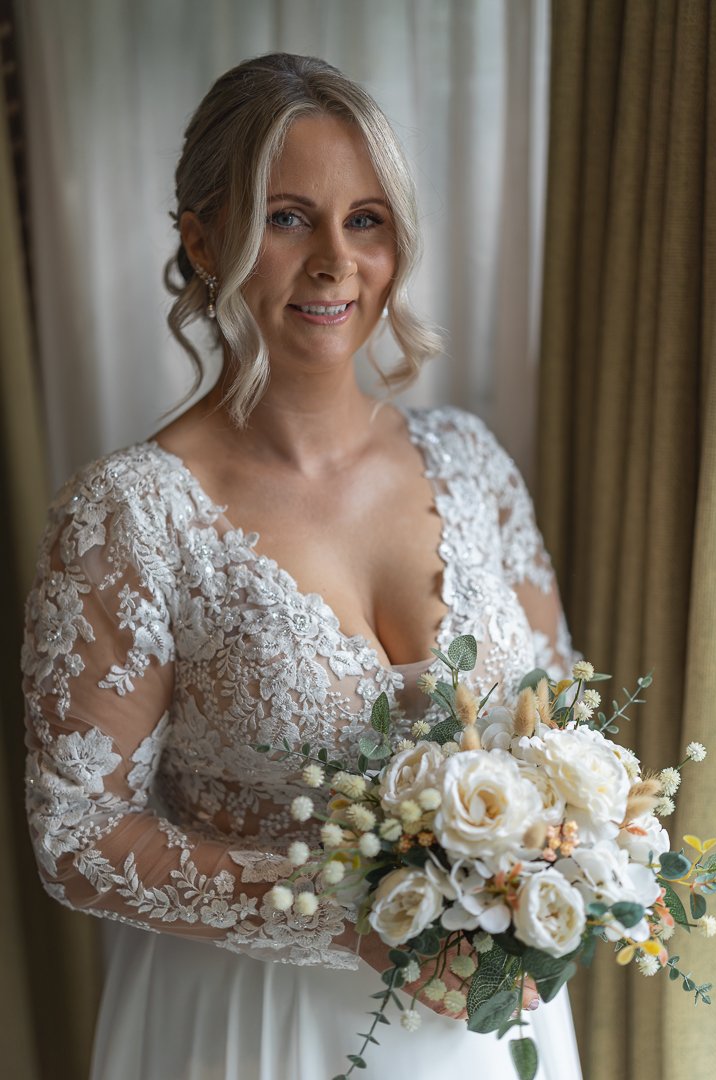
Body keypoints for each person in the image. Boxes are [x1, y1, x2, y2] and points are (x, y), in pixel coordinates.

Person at [22, 53, 582, 1080]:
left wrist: (565, 865)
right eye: (288, 218)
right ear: (202, 238)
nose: (335, 260)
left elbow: (564, 727)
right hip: (254, 1027)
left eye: (365, 219)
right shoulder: (132, 513)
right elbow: (78, 834)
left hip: (491, 1032)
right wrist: (355, 918)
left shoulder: (468, 460)